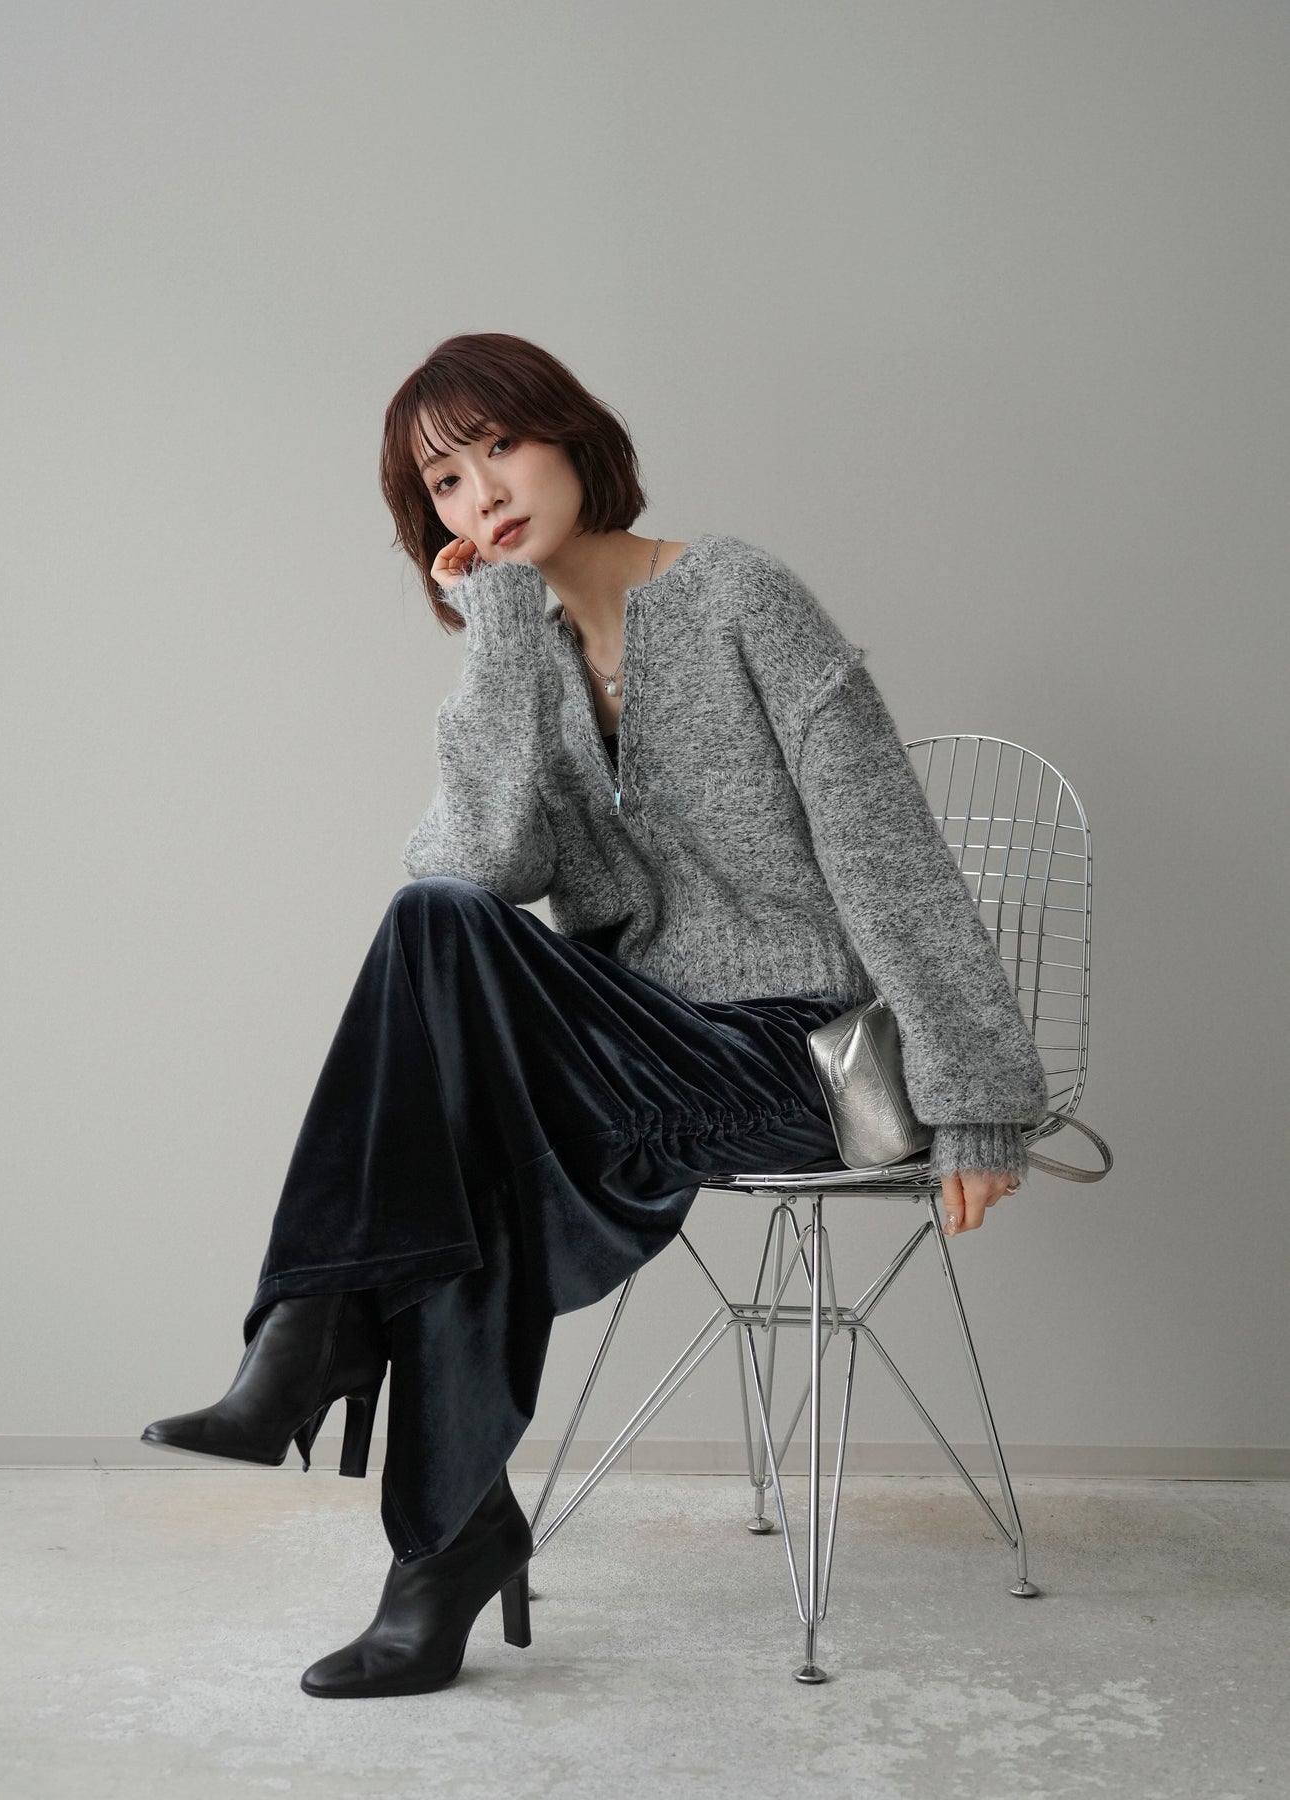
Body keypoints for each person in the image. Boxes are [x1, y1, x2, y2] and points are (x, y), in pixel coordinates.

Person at [141, 331, 1047, 1700]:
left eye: (498, 445)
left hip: (791, 1056)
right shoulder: (527, 655)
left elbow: (887, 854)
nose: (483, 493)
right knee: (442, 1014)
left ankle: (324, 1347)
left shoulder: (739, 594)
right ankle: (435, 1527)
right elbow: (478, 870)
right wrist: (502, 635)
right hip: (635, 1057)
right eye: (445, 483)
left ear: (568, 435)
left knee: (446, 1070)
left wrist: (978, 1096)